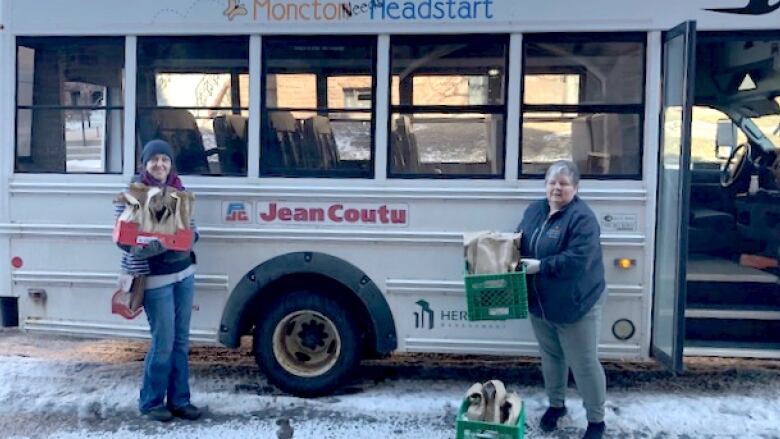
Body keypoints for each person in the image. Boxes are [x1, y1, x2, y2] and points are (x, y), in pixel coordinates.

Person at [515, 160, 607, 439]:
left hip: (575, 304)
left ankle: (596, 420)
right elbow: (520, 239)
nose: (557, 188)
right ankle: (556, 406)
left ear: (575, 188)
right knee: (551, 357)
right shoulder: (535, 210)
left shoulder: (582, 218)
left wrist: (541, 266)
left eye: (564, 184)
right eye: (552, 182)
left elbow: (577, 261)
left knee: (584, 363)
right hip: (541, 302)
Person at [114, 139, 201, 422]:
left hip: (184, 273)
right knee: (163, 342)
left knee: (180, 341)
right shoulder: (133, 194)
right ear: (145, 163)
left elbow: (192, 228)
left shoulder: (179, 190)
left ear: (170, 164)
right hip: (155, 278)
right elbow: (124, 238)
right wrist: (148, 245)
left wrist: (189, 239)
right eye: (154, 160)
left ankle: (179, 400)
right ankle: (151, 402)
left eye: (164, 159)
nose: (160, 164)